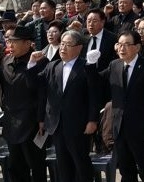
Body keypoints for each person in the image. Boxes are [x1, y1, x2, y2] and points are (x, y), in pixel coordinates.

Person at [30, 29, 99, 182]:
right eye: (61, 44)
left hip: (79, 124)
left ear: (79, 47)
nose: (62, 48)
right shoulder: (52, 66)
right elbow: (37, 86)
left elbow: (94, 95)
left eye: (68, 44)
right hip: (56, 124)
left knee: (81, 163)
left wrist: (92, 120)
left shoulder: (86, 66)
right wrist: (32, 63)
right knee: (63, 164)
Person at [0, 26, 45, 182]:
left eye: (15, 42)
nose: (10, 45)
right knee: (15, 165)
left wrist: (42, 119)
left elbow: (42, 91)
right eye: (9, 41)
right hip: (12, 121)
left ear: (27, 43)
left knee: (35, 164)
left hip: (32, 122)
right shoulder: (6, 60)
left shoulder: (40, 61)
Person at [100, 31, 144, 182]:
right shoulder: (114, 65)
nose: (122, 49)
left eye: (127, 45)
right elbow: (97, 82)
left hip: (141, 127)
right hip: (120, 126)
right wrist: (89, 66)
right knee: (125, 168)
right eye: (119, 45)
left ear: (137, 47)